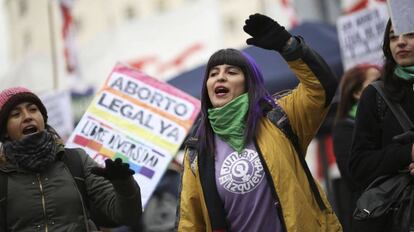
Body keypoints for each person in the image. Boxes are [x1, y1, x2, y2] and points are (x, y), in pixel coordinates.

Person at [176, 13, 342, 232]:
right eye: (213, 73)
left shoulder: (280, 118)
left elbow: (321, 89)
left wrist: (288, 46)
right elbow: (190, 222)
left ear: (248, 84)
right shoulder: (198, 149)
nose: (220, 77)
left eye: (231, 72)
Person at [0, 87, 142, 231]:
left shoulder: (76, 160)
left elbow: (127, 216)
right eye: (16, 114)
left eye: (33, 109)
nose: (27, 116)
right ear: (4, 131)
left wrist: (124, 185)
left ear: (43, 118)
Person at [349, 19, 414, 232]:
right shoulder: (376, 95)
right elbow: (359, 166)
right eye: (394, 37)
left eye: (410, 35)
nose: (401, 43)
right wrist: (408, 154)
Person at [332, 64, 381, 232]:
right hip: (374, 215)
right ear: (357, 93)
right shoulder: (345, 128)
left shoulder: (389, 116)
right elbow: (355, 175)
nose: (383, 85)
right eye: (376, 81)